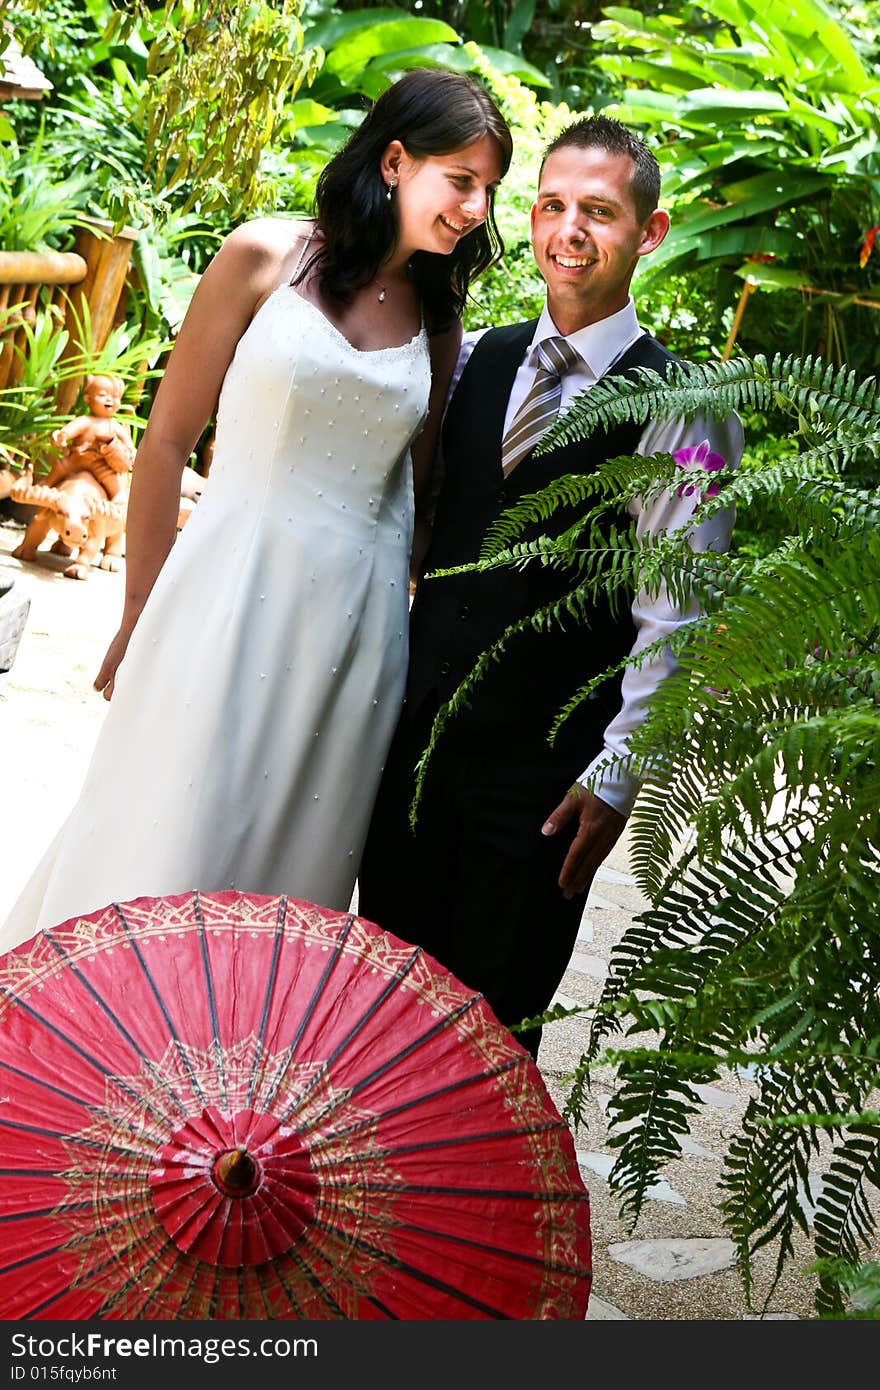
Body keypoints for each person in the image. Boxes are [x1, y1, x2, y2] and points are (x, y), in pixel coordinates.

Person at [0, 68, 512, 951]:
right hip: (225, 598)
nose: (474, 209)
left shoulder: (437, 317)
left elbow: (419, 500)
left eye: (488, 191)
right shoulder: (264, 256)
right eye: (460, 180)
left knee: (284, 888)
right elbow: (163, 443)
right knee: (162, 834)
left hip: (354, 639)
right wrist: (139, 613)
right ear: (395, 160)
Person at [358, 115, 744, 1059]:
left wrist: (615, 777)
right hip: (417, 753)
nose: (569, 230)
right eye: (553, 206)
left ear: (648, 234)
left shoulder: (683, 408)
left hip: (542, 781)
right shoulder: (477, 357)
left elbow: (675, 611)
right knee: (377, 1010)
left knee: (489, 1036)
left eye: (600, 212)